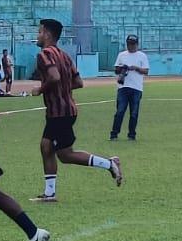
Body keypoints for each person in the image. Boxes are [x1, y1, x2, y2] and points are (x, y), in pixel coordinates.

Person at [31, 18, 122, 201]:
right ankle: (49, 193)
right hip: (67, 110)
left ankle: (109, 163)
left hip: (59, 112)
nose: (37, 36)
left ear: (47, 34)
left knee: (64, 154)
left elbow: (54, 77)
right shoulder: (64, 56)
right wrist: (62, 89)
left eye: (40, 32)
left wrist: (40, 89)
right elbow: (78, 82)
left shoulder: (44, 55)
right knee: (47, 147)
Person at [110, 34, 150, 141]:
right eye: (129, 44)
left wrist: (136, 68)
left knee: (134, 113)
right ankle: (114, 134)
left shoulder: (142, 56)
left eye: (133, 44)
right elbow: (116, 70)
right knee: (120, 111)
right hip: (123, 87)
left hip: (136, 88)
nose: (131, 46)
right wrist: (122, 69)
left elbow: (146, 71)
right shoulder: (122, 55)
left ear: (137, 44)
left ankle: (132, 135)